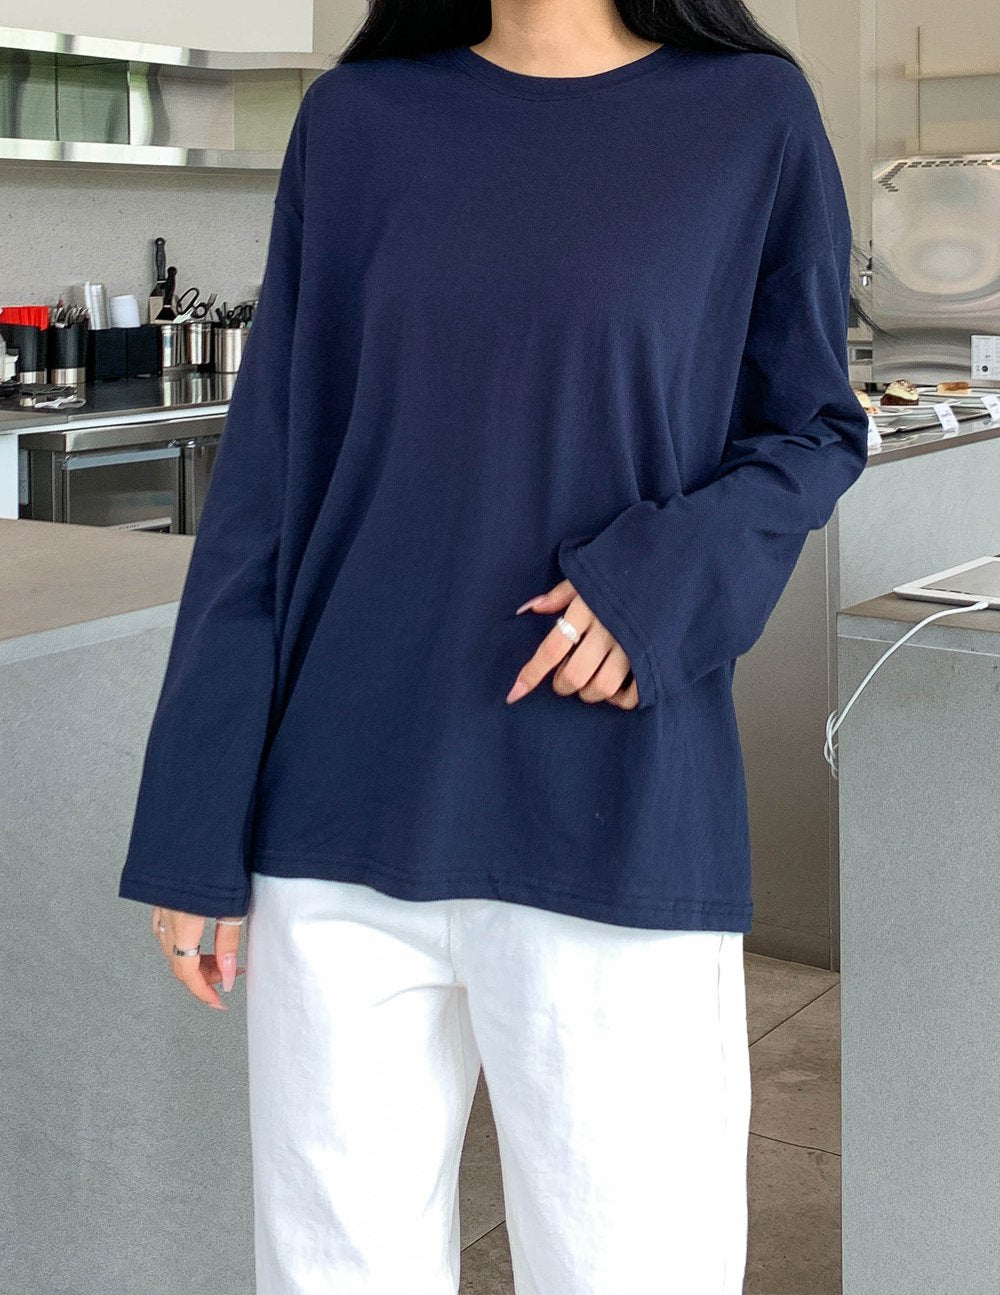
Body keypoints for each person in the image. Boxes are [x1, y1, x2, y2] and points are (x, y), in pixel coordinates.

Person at [118, 1, 869, 1291]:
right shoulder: (356, 122)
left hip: (615, 813)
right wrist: (196, 813)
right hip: (339, 821)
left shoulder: (751, 117)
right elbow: (267, 487)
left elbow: (812, 428)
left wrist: (657, 590)